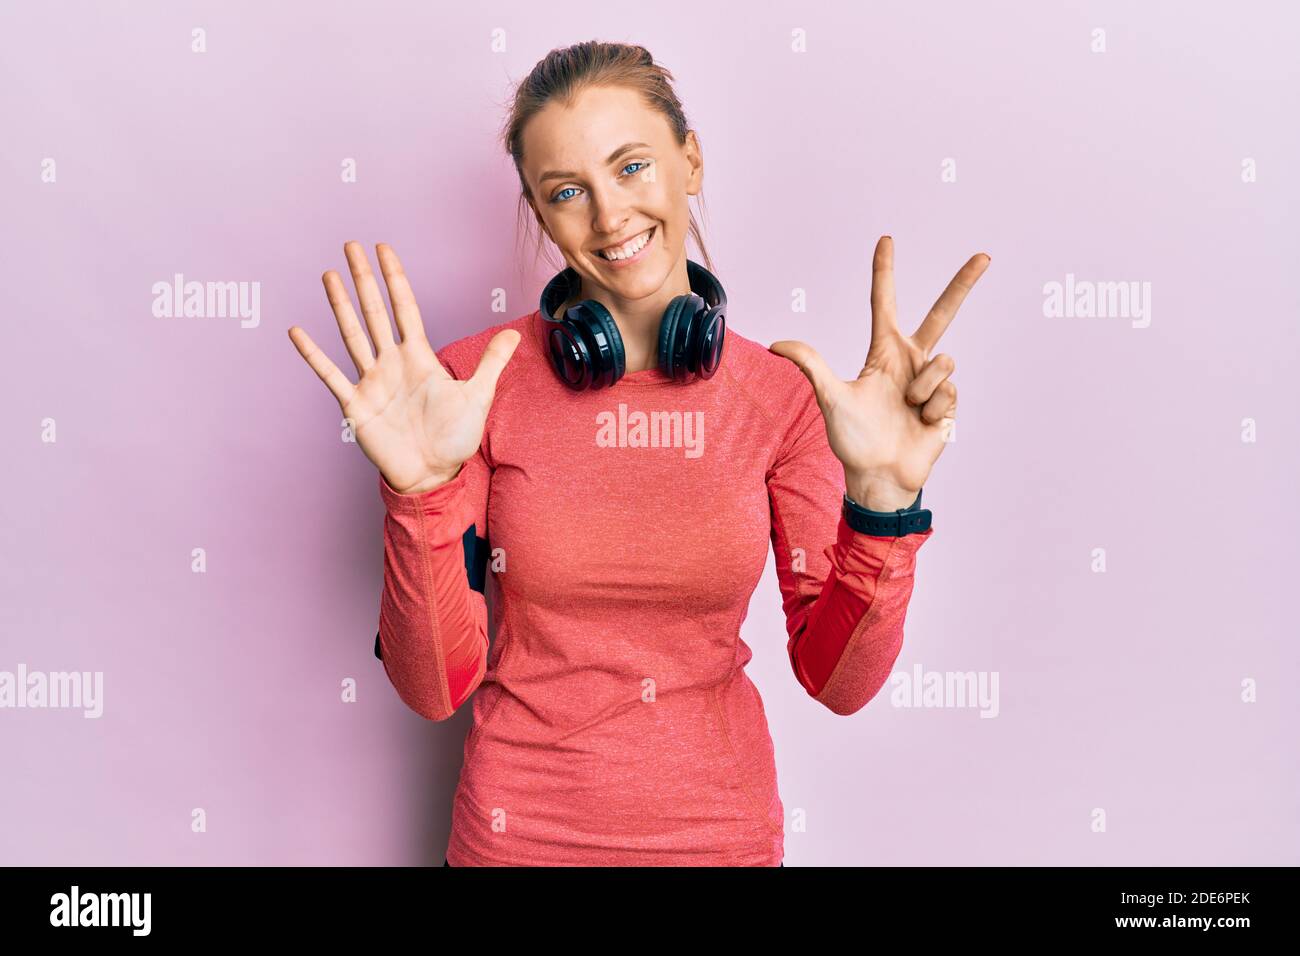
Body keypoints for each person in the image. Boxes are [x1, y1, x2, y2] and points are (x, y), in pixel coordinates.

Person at [288, 40, 989, 866]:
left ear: (690, 161)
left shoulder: (783, 398)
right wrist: (420, 497)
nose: (610, 217)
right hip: (516, 844)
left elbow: (839, 685)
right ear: (540, 213)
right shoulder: (468, 387)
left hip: (717, 844)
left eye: (632, 167)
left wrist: (882, 506)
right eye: (568, 191)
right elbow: (433, 687)